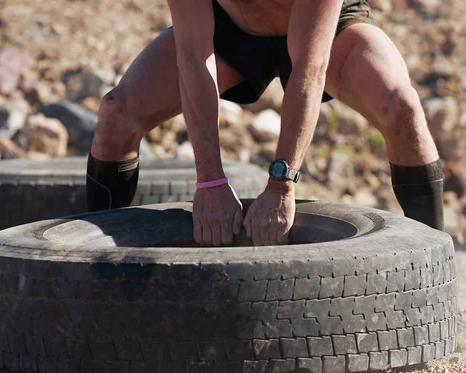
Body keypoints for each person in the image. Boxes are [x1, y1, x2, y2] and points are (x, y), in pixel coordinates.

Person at [86, 0, 444, 247]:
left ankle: (432, 272)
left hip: (327, 30)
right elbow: (193, 54)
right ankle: (94, 269)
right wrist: (209, 181)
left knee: (404, 110)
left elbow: (310, 64)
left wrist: (281, 184)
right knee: (117, 113)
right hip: (229, 32)